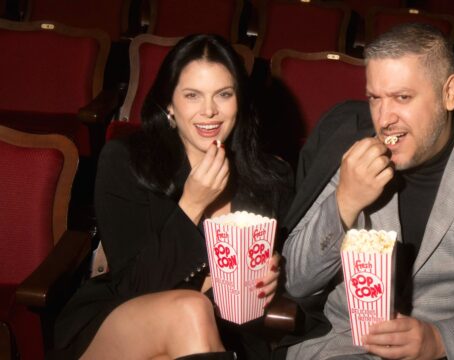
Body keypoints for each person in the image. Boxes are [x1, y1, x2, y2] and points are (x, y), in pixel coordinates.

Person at [281, 23, 454, 360]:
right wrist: (344, 201)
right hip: (341, 347)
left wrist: (441, 339)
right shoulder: (348, 150)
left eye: (402, 97)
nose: (384, 119)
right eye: (374, 98)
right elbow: (297, 282)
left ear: (449, 93)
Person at [51, 34, 293, 360]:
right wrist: (191, 205)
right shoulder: (126, 160)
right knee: (191, 310)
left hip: (222, 336)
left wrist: (276, 273)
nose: (209, 111)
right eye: (192, 95)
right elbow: (134, 287)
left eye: (223, 94)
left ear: (240, 101)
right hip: (118, 320)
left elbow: (297, 281)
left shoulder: (269, 177)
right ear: (169, 103)